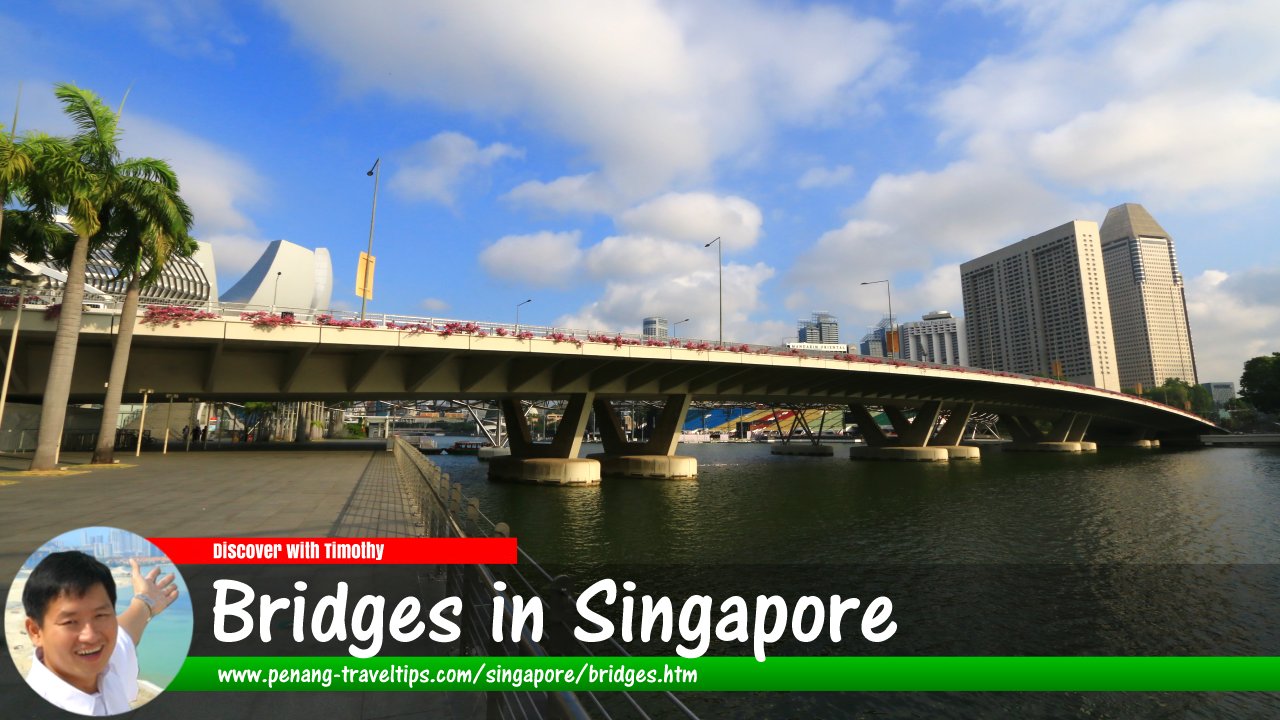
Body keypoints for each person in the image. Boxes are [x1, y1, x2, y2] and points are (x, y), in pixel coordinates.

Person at [22, 551, 179, 716]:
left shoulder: (107, 665)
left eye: (100, 615)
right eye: (70, 622)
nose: (90, 636)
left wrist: (146, 601)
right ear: (35, 631)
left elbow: (126, 633)